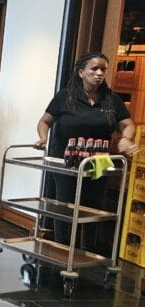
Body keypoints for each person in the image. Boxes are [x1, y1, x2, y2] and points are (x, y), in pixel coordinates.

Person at [35, 52, 139, 253]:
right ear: (81, 72)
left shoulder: (111, 99)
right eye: (94, 69)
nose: (99, 73)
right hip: (65, 158)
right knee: (66, 202)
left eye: (103, 70)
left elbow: (127, 124)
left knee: (93, 205)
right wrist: (43, 137)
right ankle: (62, 248)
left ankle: (88, 249)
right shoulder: (65, 96)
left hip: (97, 160)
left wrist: (126, 138)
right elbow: (45, 121)